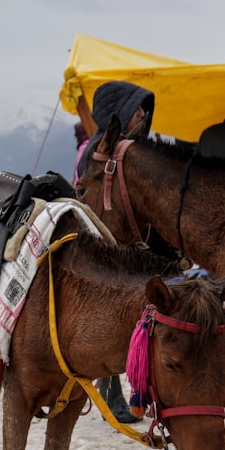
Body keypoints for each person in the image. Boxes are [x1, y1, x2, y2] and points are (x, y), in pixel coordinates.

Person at [78, 80, 160, 424]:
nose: (143, 115)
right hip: (108, 244)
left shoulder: (129, 150)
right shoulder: (97, 152)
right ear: (120, 113)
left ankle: (129, 391)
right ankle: (112, 395)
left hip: (128, 243)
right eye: (137, 108)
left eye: (144, 108)